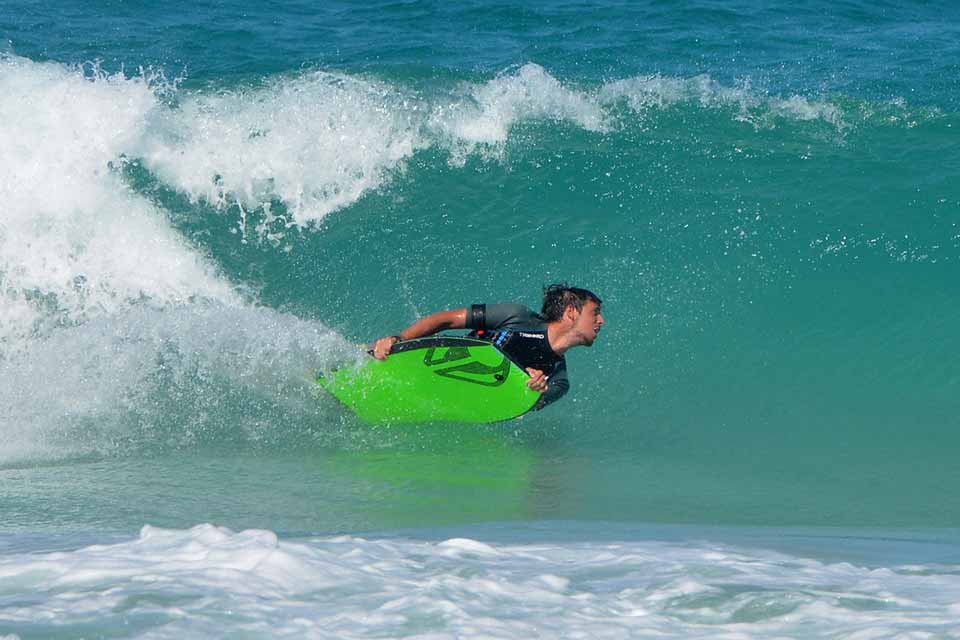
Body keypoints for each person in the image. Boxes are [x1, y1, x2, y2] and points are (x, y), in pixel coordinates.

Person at [372, 284, 604, 410]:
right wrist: (397, 340)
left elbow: (530, 404)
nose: (601, 321)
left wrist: (531, 389)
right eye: (595, 313)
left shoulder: (558, 379)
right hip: (434, 365)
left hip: (454, 395)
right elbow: (446, 320)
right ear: (571, 312)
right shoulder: (516, 316)